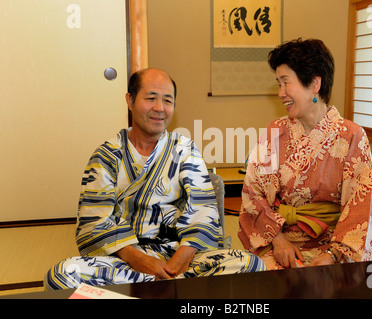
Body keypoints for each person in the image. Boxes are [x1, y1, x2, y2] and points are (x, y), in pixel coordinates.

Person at [45, 68, 265, 290]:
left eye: (167, 100)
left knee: (251, 265)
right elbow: (94, 221)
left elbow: (203, 211)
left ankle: (155, 291)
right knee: (62, 276)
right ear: (130, 101)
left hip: (179, 257)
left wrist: (178, 262)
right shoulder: (106, 155)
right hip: (124, 261)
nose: (160, 108)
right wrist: (140, 260)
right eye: (151, 98)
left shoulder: (184, 150)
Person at [238, 38, 372, 270]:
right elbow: (252, 193)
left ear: (315, 84)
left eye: (286, 83)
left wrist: (333, 256)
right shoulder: (274, 131)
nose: (280, 93)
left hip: (332, 245)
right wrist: (277, 239)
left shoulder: (352, 136)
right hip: (278, 241)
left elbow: (360, 208)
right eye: (278, 84)